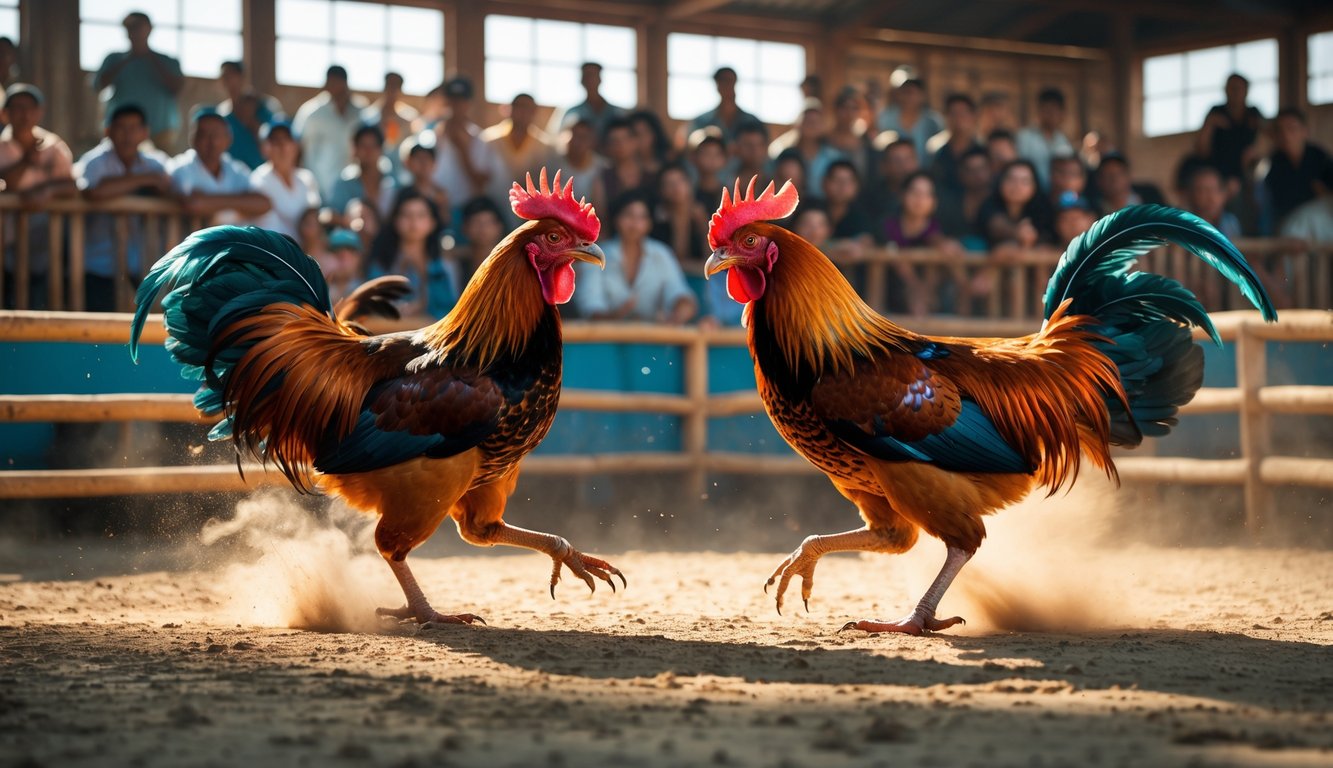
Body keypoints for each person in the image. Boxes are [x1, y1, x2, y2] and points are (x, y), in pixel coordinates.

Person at [74, 104, 172, 311]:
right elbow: (93, 191)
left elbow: (171, 189)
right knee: (100, 326)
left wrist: (149, 182)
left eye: (134, 128)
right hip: (99, 266)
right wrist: (144, 179)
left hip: (143, 266)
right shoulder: (94, 161)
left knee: (151, 324)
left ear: (145, 132)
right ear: (108, 131)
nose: (127, 135)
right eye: (121, 127)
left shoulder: (155, 163)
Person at [0, 84, 78, 305]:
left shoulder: (54, 146)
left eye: (30, 108)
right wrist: (27, 161)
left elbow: (72, 187)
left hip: (46, 243)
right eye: (17, 108)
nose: (24, 114)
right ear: (5, 114)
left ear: (39, 112)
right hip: (6, 242)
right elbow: (8, 183)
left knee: (42, 300)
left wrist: (47, 190)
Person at [575, 192, 697, 324]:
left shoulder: (662, 254)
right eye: (629, 215)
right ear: (616, 220)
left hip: (653, 336)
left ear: (649, 224)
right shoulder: (596, 256)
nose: (635, 223)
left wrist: (679, 312)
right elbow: (590, 306)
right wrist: (616, 316)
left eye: (642, 217)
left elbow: (678, 292)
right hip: (604, 336)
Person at [91, 12, 184, 150]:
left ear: (150, 29)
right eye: (130, 27)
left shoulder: (168, 61)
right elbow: (99, 85)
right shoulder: (114, 59)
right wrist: (127, 60)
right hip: (121, 134)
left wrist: (150, 57)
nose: (135, 32)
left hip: (160, 133)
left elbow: (177, 87)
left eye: (138, 27)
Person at [880, 171, 966, 317]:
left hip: (933, 299)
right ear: (902, 195)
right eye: (915, 192)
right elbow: (891, 251)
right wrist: (915, 286)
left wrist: (945, 245)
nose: (920, 199)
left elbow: (936, 239)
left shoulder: (938, 229)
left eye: (926, 194)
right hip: (891, 299)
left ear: (934, 202)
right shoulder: (887, 226)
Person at [168, 108, 271, 225]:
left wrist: (212, 201)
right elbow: (194, 203)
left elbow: (264, 203)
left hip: (229, 236)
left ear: (228, 139)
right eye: (203, 135)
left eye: (216, 135)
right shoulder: (182, 167)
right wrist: (241, 202)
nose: (212, 141)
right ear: (193, 139)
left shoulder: (236, 168)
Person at [368, 188, 455, 320]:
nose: (413, 221)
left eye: (421, 215)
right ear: (396, 221)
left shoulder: (445, 266)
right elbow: (372, 307)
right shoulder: (382, 263)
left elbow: (451, 311)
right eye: (406, 215)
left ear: (432, 223)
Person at [431, 76, 507, 219]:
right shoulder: (430, 135)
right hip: (435, 209)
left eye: (461, 101)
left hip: (467, 211)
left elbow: (483, 182)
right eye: (452, 100)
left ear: (469, 103)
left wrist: (463, 151)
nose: (456, 106)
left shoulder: (480, 140)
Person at [292, 65, 368, 199]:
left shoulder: (360, 112)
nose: (335, 88)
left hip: (352, 186)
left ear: (346, 83)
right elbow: (296, 147)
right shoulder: (312, 112)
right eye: (332, 83)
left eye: (339, 83)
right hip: (318, 186)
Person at [1263, 108, 1333, 231]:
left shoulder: (1319, 157)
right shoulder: (1273, 162)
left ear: (1304, 131)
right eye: (1280, 130)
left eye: (1291, 129)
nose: (1286, 135)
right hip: (1290, 221)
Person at [249, 119, 321, 239]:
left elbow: (314, 217)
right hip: (274, 247)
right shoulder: (258, 180)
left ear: (296, 146)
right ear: (264, 149)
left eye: (287, 140)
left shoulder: (306, 178)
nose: (282, 146)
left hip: (304, 248)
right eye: (275, 141)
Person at [1196, 73, 1264, 197]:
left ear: (1246, 91)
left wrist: (1255, 152)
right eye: (1231, 88)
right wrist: (1209, 124)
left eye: (1239, 88)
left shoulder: (1253, 114)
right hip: (1219, 172)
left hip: (1248, 171)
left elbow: (1270, 139)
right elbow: (1201, 150)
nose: (1235, 92)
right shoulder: (1216, 112)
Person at [770, 99, 841, 197]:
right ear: (798, 123)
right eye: (807, 121)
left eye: (816, 122)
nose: (811, 125)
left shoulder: (833, 157)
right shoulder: (781, 151)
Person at [978, 159, 1055, 249]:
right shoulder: (989, 204)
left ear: (1034, 186)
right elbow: (995, 224)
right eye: (1011, 179)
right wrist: (1016, 232)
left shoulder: (1043, 209)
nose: (1017, 186)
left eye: (1024, 181)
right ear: (1001, 182)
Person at [481, 93, 553, 188]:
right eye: (519, 107)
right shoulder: (489, 139)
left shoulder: (544, 146)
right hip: (494, 196)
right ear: (510, 109)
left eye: (528, 109)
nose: (523, 113)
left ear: (535, 112)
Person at [328, 123, 397, 218]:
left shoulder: (393, 183)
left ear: (381, 150)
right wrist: (348, 222)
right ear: (355, 149)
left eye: (373, 146)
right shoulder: (344, 183)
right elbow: (328, 215)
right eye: (363, 146)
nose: (368, 152)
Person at [546, 62, 627, 140]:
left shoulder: (617, 112)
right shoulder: (572, 113)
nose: (590, 80)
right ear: (581, 80)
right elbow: (558, 138)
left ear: (600, 79)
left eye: (594, 75)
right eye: (587, 76)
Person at [651, 163, 710, 270]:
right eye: (669, 184)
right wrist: (680, 221)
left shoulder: (700, 212)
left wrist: (703, 224)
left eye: (681, 181)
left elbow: (712, 257)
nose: (676, 187)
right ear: (661, 191)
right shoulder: (657, 220)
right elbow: (673, 263)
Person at [593, 117, 654, 216]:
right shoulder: (603, 179)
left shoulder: (651, 177)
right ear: (608, 147)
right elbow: (600, 216)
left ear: (635, 142)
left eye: (625, 139)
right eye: (614, 141)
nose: (621, 145)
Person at [1015, 88, 1073, 190]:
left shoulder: (1063, 140)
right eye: (1047, 111)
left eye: (1055, 111)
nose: (1051, 115)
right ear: (1039, 111)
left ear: (1062, 114)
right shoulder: (1024, 138)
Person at [362, 72, 419, 178]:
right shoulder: (368, 117)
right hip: (373, 175)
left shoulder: (408, 119)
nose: (392, 90)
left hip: (401, 175)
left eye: (396, 86)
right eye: (390, 85)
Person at [685, 67, 760, 146]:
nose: (728, 86)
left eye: (731, 81)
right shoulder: (702, 121)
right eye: (724, 82)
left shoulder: (752, 121)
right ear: (717, 85)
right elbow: (691, 144)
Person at [927, 93, 983, 197]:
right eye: (953, 113)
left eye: (963, 113)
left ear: (973, 117)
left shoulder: (982, 152)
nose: (958, 118)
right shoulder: (936, 151)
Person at [447, 196, 508, 288]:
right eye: (476, 222)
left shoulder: (513, 261)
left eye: (488, 222)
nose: (483, 229)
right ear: (465, 228)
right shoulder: (454, 265)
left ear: (500, 226)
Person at [937, 146, 992, 246]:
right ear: (961, 173)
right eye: (970, 170)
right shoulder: (949, 203)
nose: (977, 175)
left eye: (981, 168)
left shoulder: (1001, 201)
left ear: (991, 170)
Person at [877, 78, 942, 161]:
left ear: (922, 96)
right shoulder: (887, 117)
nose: (908, 98)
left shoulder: (932, 121)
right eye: (905, 93)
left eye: (912, 93)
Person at [861, 139, 919, 221]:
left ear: (916, 162)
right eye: (896, 160)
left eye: (908, 159)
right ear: (884, 166)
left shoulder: (933, 193)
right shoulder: (870, 199)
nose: (903, 165)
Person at [398, 135, 450, 226]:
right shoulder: (402, 194)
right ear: (408, 163)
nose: (423, 163)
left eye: (427, 159)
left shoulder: (441, 194)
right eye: (418, 159)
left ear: (434, 164)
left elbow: (445, 222)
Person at [1091, 152, 1165, 215]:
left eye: (1118, 174)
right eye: (1108, 176)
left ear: (1128, 175)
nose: (1114, 179)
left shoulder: (1150, 194)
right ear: (1099, 180)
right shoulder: (1094, 210)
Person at [1181, 163, 1241, 241]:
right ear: (1191, 195)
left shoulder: (1230, 222)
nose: (1211, 198)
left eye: (1215, 190)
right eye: (1203, 191)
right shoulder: (1183, 223)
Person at [825, 88, 874, 180]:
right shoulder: (824, 140)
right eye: (844, 108)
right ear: (836, 110)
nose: (849, 113)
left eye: (854, 108)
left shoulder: (865, 141)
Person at [216, 60, 281, 124]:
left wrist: (251, 121)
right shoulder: (222, 110)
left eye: (231, 75)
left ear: (242, 78)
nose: (227, 79)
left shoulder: (267, 104)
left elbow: (278, 125)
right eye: (224, 76)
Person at [559, 119, 605, 202]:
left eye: (583, 137)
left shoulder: (603, 167)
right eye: (575, 136)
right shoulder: (552, 165)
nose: (578, 142)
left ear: (592, 142)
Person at [322, 227, 366, 306]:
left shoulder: (367, 291)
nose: (343, 257)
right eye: (335, 251)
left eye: (351, 251)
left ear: (359, 258)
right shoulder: (317, 291)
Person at [688, 128, 729, 208]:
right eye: (706, 153)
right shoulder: (688, 194)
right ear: (693, 157)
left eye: (717, 154)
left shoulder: (731, 193)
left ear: (724, 159)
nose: (712, 159)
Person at [628, 109, 672, 176]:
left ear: (655, 135)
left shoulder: (670, 164)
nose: (640, 139)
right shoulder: (622, 169)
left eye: (644, 133)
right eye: (635, 134)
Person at [731, 120, 772, 190]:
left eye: (760, 145)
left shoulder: (777, 179)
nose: (755, 151)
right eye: (748, 145)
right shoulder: (724, 181)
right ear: (736, 147)